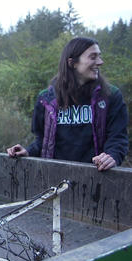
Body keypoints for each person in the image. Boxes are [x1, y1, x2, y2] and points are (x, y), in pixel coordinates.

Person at [7, 37, 128, 171]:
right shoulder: (46, 99)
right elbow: (42, 140)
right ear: (72, 63)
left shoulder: (111, 96)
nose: (100, 62)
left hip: (98, 179)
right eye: (93, 57)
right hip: (55, 179)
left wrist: (112, 156)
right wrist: (27, 151)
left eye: (99, 56)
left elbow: (118, 138)